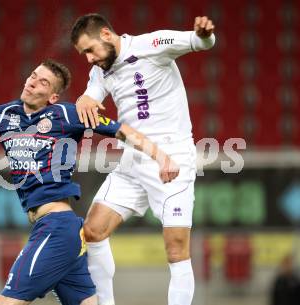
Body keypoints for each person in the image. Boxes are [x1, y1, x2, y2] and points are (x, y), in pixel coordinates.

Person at [0, 59, 179, 305]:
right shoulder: (4, 115)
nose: (33, 82)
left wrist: (161, 156)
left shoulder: (68, 115)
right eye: (33, 75)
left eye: (43, 81)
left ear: (53, 96)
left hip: (56, 228)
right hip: (57, 231)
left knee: (6, 302)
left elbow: (121, 130)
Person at [70, 13, 216, 305]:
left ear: (107, 35)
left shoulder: (153, 44)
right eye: (83, 53)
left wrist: (204, 34)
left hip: (172, 158)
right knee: (93, 231)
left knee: (176, 249)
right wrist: (83, 99)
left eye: (90, 50)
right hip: (133, 159)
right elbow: (91, 95)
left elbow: (201, 42)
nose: (88, 59)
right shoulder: (101, 68)